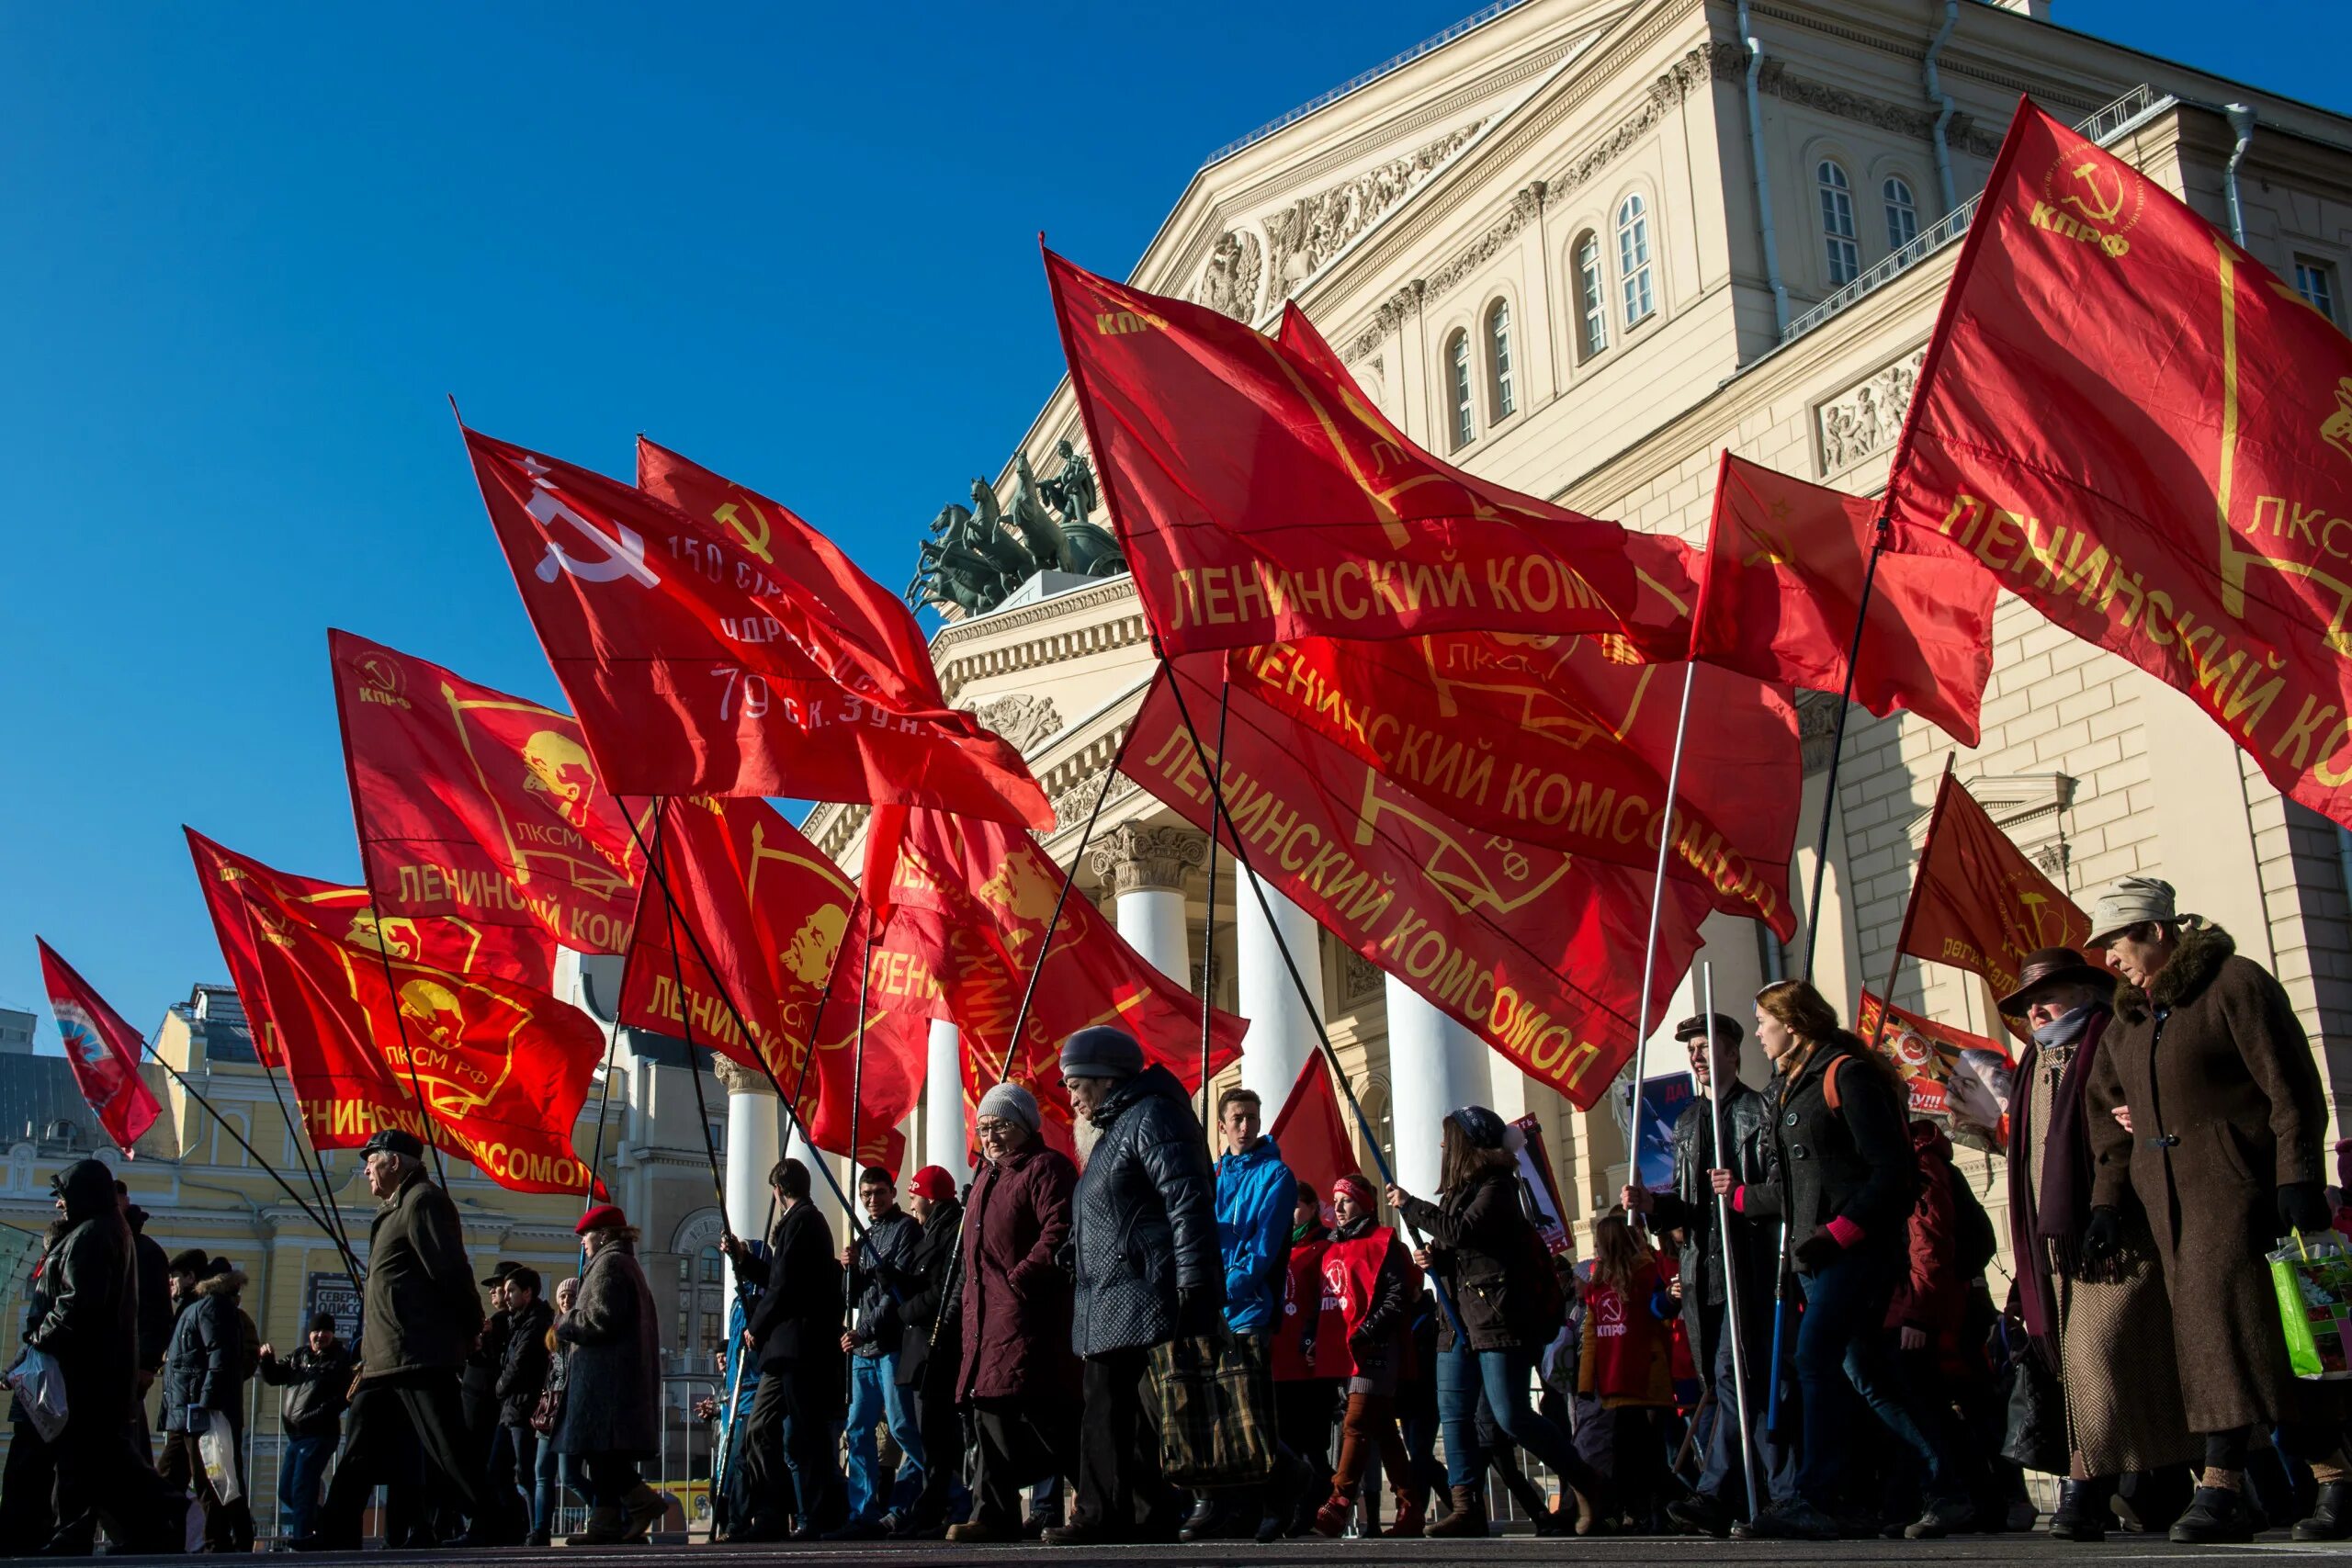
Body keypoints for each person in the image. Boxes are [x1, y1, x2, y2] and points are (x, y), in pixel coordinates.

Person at [2082, 877, 2352, 1542]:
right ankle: (2334, 1478)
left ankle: (2223, 1488)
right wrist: (2107, 1203)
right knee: (2249, 1342)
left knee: (2234, 1334)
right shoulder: (2127, 1021)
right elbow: (2107, 1119)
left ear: (2156, 931)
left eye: (2115, 940)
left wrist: (2299, 1175)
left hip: (2241, 1192)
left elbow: (2291, 1087)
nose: (2108, 956)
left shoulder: (2235, 984)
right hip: (2167, 1203)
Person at [1709, 979, 1957, 1541]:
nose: (1757, 1033)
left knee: (1814, 1358)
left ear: (1791, 1025)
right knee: (1868, 1377)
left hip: (1857, 1253)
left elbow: (1895, 1173)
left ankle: (1819, 1497)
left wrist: (1840, 1233)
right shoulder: (1794, 1086)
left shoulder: (1846, 1074)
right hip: (1817, 1259)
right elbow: (1803, 1186)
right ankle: (1950, 1487)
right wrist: (1741, 1196)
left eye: (1763, 1022)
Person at [2004, 943, 2198, 1542]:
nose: (2037, 1009)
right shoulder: (2033, 1064)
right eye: (2030, 1001)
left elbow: (2119, 1137)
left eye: (2049, 995)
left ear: (2086, 993)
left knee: (2101, 1358)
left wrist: (2105, 1207)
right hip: (2055, 1247)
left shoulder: (2109, 1037)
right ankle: (2170, 1485)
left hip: (2114, 1235)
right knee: (2101, 1368)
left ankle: (2083, 1489)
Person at [1388, 1106, 1607, 1538]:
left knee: (1510, 1414)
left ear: (1468, 1144)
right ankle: (1467, 1505)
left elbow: (1466, 1232)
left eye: (1448, 1138)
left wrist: (1412, 1207)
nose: (1440, 1146)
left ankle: (1587, 1481)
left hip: (1495, 1317)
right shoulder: (1457, 1193)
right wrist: (1436, 1258)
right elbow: (1460, 1245)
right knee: (1454, 1413)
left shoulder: (1497, 1187)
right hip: (1457, 1319)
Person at [302, 1127, 523, 1551]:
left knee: (449, 1446)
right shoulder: (397, 1208)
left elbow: (451, 1271)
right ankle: (335, 1534)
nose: (365, 1167)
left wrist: (473, 1325)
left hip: (417, 1353)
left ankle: (497, 1521)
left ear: (395, 1162)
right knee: (358, 1452)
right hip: (385, 1357)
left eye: (372, 1158)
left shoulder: (424, 1202)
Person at [1623, 1012, 1790, 1537]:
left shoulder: (1757, 1111)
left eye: (1706, 1045)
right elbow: (1687, 1208)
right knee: (1735, 1389)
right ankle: (1779, 1494)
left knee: (1730, 1376)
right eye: (1691, 1047)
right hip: (1701, 1271)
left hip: (1746, 1265)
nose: (1696, 1055)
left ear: (1734, 1052)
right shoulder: (1690, 1121)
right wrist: (1653, 1204)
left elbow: (1781, 1194)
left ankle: (1714, 1492)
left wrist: (1737, 1190)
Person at [1052, 1025, 1219, 1547]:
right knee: (1136, 1409)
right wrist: (1072, 1250)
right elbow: (1115, 1208)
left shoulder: (1150, 1117)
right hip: (1112, 1291)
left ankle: (1101, 1513)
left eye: (1076, 1085)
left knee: (1122, 1404)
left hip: (1146, 1288)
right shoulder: (1115, 1128)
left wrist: (1194, 1280)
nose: (1072, 1098)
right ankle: (1147, 1511)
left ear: (1105, 1080)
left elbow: (1187, 1199)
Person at [0, 1159, 179, 1555]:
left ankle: (41, 1535)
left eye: (63, 1197)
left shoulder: (94, 1236)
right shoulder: (96, 1232)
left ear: (82, 1194)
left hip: (77, 1371)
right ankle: (122, 1526)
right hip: (80, 1370)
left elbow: (77, 1304)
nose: (58, 1205)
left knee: (70, 1460)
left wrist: (36, 1344)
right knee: (89, 1460)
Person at [947, 1082, 1079, 1544]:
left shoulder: (1046, 1169)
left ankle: (1109, 1500)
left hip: (1029, 1316)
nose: (991, 1135)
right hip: (985, 1322)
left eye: (1001, 1125)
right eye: (984, 1127)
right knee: (989, 1415)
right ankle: (993, 1513)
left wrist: (1022, 1280)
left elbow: (1060, 1231)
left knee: (1048, 1417)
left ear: (1025, 1126)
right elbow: (973, 1260)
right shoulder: (986, 1177)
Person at [726, 1156, 847, 1541]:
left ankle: (808, 1513)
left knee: (798, 1434)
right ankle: (777, 1512)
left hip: (797, 1345)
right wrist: (744, 1260)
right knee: (768, 1429)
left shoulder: (802, 1222)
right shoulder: (805, 1222)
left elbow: (785, 1286)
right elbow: (780, 1277)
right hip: (790, 1347)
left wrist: (756, 1326)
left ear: (778, 1191)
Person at [1196, 1085, 1296, 1543]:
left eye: (1252, 1117)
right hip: (1211, 1308)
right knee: (1220, 1415)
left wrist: (1226, 1287)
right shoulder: (1213, 1173)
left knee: (1250, 1413)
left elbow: (1263, 1248)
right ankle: (1237, 1506)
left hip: (1247, 1308)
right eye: (1237, 1118)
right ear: (1221, 1124)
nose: (1245, 1125)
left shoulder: (1276, 1175)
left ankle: (1283, 1492)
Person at [1307, 1173, 1425, 1538]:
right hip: (1345, 1350)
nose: (1338, 1208)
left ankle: (1338, 1501)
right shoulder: (1331, 1247)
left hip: (1374, 1348)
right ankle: (1410, 1505)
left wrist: (1367, 1331)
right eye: (1335, 1200)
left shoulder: (1383, 1242)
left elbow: (1396, 1295)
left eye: (1346, 1200)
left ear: (1364, 1203)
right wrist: (1314, 1337)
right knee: (1384, 1432)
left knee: (1355, 1422)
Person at [553, 1203, 665, 1543]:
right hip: (614, 1378)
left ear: (604, 1235)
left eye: (587, 1234)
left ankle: (642, 1501)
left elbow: (600, 1319)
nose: (583, 1241)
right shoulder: (622, 1263)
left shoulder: (610, 1265)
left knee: (599, 1450)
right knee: (602, 1452)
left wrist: (566, 1321)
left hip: (606, 1381)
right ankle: (605, 1524)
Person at [834, 1165, 926, 1539]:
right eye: (866, 1195)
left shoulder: (906, 1229)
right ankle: (862, 1510)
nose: (873, 1201)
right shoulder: (865, 1235)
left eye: (879, 1193)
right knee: (858, 1430)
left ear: (893, 1193)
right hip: (864, 1352)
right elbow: (855, 1296)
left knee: (903, 1426)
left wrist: (862, 1330)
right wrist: (849, 1270)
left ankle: (947, 1489)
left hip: (890, 1345)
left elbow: (894, 1294)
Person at [1577, 1213, 1677, 1530]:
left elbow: (1659, 1311)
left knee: (1645, 1451)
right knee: (1629, 1451)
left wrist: (1667, 1300)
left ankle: (1658, 1510)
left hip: (1643, 1375)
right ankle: (1638, 1510)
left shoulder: (1646, 1272)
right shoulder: (1597, 1283)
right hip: (1617, 1377)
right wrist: (1585, 1380)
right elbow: (1590, 1334)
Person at [884, 1165, 965, 1538]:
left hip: (938, 1346)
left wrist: (906, 1310)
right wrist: (893, 1279)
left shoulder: (952, 1232)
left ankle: (946, 1506)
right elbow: (921, 1282)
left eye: (914, 1196)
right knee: (926, 1433)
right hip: (921, 1349)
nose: (911, 1204)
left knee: (941, 1435)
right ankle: (932, 1505)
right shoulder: (931, 1232)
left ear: (930, 1198)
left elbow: (942, 1289)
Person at [157, 1251, 256, 1552]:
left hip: (199, 1411)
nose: (170, 1284)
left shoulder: (211, 1307)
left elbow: (219, 1357)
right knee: (182, 1481)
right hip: (185, 1411)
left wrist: (206, 1402)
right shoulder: (199, 1308)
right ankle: (172, 1544)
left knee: (212, 1479)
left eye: (174, 1277)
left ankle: (223, 1544)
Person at [1271, 1177, 1340, 1537]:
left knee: (1311, 1444)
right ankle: (1301, 1508)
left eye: (1297, 1204)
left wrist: (1316, 1339)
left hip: (1310, 1365)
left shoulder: (1325, 1247)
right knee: (1288, 1443)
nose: (1291, 1212)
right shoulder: (1278, 1246)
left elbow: (1330, 1301)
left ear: (1314, 1209)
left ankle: (1318, 1503)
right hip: (1279, 1362)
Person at [260, 1313, 356, 1544]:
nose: (320, 1335)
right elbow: (274, 1377)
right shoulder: (299, 1356)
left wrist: (319, 1413)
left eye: (325, 1331)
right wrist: (266, 1360)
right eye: (316, 1331)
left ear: (332, 1334)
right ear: (309, 1333)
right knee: (287, 1492)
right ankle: (327, 1525)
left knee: (302, 1488)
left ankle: (303, 1539)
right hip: (296, 1435)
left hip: (320, 1434)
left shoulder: (339, 1359)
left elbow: (345, 1396)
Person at [491, 1265, 553, 1535]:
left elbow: (519, 1363)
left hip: (523, 1407)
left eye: (511, 1290)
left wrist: (500, 1387)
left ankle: (535, 1529)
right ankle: (519, 1525)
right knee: (497, 1470)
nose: (506, 1296)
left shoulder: (535, 1322)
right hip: (511, 1408)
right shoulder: (519, 1321)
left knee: (525, 1471)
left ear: (527, 1293)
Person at [530, 1275, 581, 1546]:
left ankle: (612, 1515)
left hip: (569, 1408)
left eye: (571, 1296)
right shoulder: (554, 1331)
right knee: (542, 1472)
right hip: (550, 1408)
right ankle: (540, 1530)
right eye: (562, 1296)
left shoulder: (578, 1330)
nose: (565, 1300)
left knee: (570, 1476)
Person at [117, 1180, 171, 1427]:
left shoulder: (144, 1252)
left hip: (127, 1363)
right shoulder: (117, 1244)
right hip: (117, 1360)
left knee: (123, 1437)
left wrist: (147, 1365)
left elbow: (156, 1313)